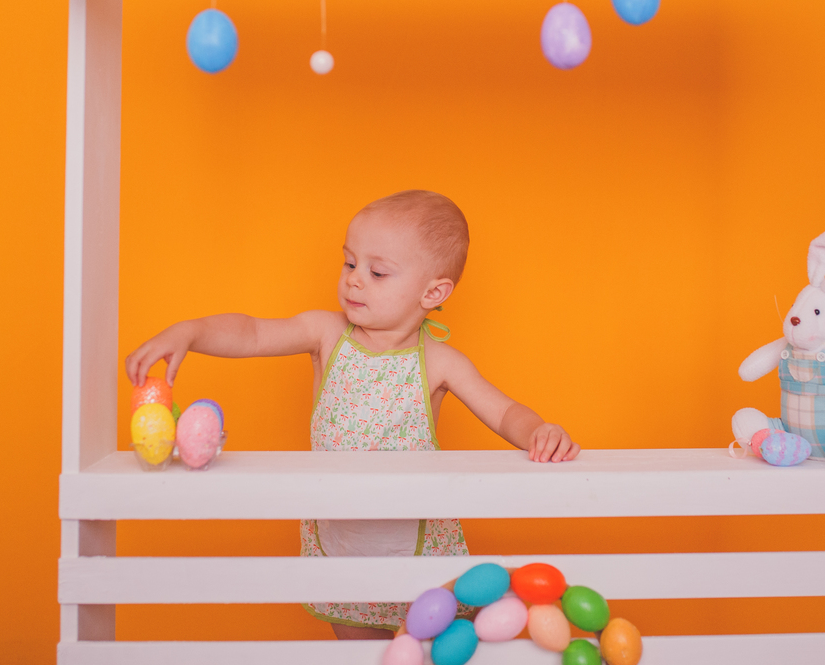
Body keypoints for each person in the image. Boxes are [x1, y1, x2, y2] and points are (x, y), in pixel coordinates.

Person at [125, 189, 580, 638]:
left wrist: (539, 430)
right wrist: (192, 331)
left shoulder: (441, 362)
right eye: (349, 262)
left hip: (419, 550)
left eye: (378, 272)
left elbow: (503, 413)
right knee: (359, 655)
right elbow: (252, 333)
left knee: (421, 649)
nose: (354, 279)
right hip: (340, 542)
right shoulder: (327, 334)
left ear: (433, 291)